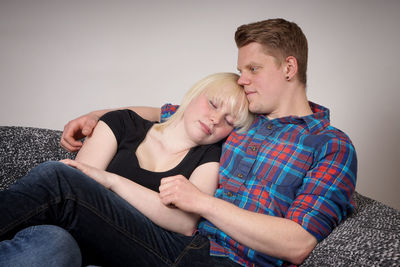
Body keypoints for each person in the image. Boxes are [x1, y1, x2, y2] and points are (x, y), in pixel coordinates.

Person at [60, 18, 358, 266]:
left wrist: (202, 203)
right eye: (241, 71)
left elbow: (298, 243)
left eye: (253, 69)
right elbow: (171, 114)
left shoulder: (330, 145)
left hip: (226, 261)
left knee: (61, 181)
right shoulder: (240, 119)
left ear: (289, 68)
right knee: (59, 204)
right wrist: (95, 115)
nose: (242, 80)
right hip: (174, 243)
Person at [0, 72, 253, 266]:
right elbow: (79, 184)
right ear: (193, 95)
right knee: (54, 245)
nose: (215, 119)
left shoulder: (210, 156)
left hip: (131, 249)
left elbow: (183, 222)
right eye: (213, 104)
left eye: (229, 121)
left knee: (55, 175)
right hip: (68, 236)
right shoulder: (122, 123)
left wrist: (112, 181)